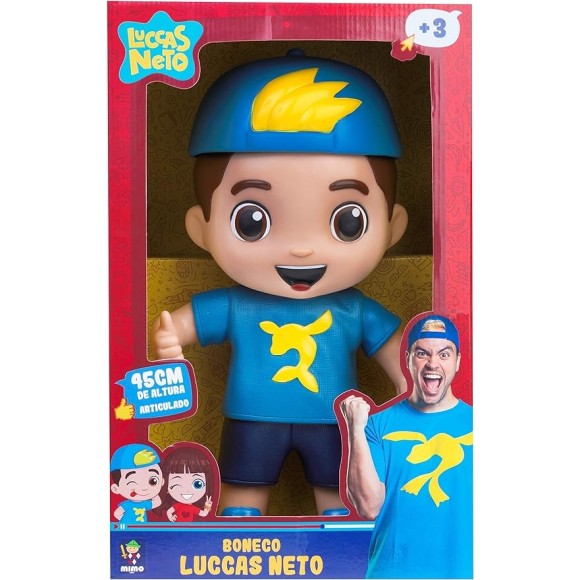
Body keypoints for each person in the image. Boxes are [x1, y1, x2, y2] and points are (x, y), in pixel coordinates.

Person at [151, 50, 409, 517]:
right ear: (201, 227)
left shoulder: (352, 309)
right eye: (252, 221)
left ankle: (340, 543)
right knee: (240, 501)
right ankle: (239, 541)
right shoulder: (238, 304)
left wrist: (412, 385)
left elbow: (397, 350)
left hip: (333, 421)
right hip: (252, 421)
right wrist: (171, 337)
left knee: (340, 499)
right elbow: (184, 324)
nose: (301, 249)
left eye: (347, 221)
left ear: (392, 227)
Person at [340, 314, 473, 578]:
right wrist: (355, 428)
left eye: (444, 354)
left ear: (457, 361)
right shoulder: (376, 426)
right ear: (408, 359)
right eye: (422, 353)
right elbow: (368, 506)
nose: (432, 363)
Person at [160, 443, 216, 522]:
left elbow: (204, 514)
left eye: (197, 484)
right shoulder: (177, 506)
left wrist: (207, 506)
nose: (187, 490)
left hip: (189, 528)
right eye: (177, 484)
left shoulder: (193, 508)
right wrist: (171, 518)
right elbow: (169, 512)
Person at [110, 443, 164, 523]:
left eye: (153, 481)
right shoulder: (127, 505)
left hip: (141, 527)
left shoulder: (144, 504)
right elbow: (117, 514)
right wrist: (126, 521)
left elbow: (157, 502)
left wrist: (154, 493)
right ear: (116, 488)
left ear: (162, 481)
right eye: (132, 483)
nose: (144, 488)